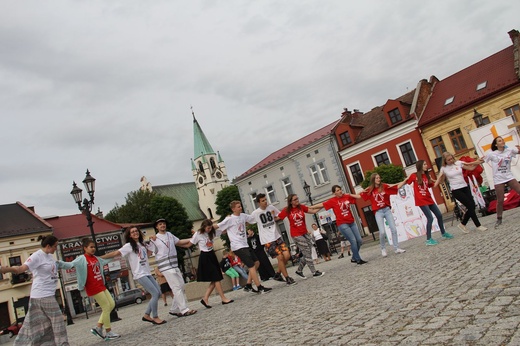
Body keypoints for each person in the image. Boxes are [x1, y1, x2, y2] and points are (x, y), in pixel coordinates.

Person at [0, 235, 70, 345]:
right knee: (58, 320)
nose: (56, 248)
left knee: (38, 324)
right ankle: (63, 344)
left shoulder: (49, 256)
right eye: (55, 246)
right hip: (42, 294)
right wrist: (5, 269)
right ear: (48, 246)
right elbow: (20, 269)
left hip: (44, 295)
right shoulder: (37, 256)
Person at [101, 226, 167, 325]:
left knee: (158, 292)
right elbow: (116, 253)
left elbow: (148, 254)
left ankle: (146, 315)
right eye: (132, 232)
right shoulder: (129, 246)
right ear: (130, 235)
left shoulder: (142, 244)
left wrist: (152, 240)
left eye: (136, 231)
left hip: (147, 272)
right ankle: (155, 317)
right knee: (154, 293)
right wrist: (100, 258)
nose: (135, 233)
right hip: (139, 274)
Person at [59, 238, 120, 341]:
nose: (93, 249)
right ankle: (108, 332)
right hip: (93, 286)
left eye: (94, 247)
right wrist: (58, 263)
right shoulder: (81, 259)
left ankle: (98, 327)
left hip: (101, 284)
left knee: (111, 304)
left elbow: (105, 260)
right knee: (106, 306)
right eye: (91, 247)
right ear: (85, 248)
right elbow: (70, 265)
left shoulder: (96, 258)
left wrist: (118, 253)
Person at [217, 201, 272, 293]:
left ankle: (248, 284)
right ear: (233, 209)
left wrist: (263, 210)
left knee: (257, 263)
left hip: (245, 244)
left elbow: (253, 219)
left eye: (241, 206)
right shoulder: (229, 219)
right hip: (238, 246)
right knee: (251, 265)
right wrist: (206, 228)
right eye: (238, 207)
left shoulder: (243, 216)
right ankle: (259, 287)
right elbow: (218, 226)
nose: (240, 208)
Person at [148, 219, 197, 317]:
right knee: (176, 287)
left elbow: (180, 242)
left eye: (164, 224)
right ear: (157, 227)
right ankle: (184, 309)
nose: (163, 225)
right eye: (160, 224)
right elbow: (148, 251)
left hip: (174, 265)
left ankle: (174, 309)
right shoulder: (155, 239)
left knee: (182, 286)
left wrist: (193, 239)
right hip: (165, 267)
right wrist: (149, 241)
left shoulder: (170, 235)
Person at [399, 160, 454, 245]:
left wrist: (439, 177)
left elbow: (435, 184)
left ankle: (443, 233)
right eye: (424, 164)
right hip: (421, 200)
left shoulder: (427, 176)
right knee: (430, 218)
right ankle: (428, 239)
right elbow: (407, 182)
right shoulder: (414, 175)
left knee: (439, 215)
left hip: (429, 199)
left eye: (426, 164)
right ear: (420, 166)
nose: (426, 165)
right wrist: (397, 186)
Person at [185, 219, 234, 308]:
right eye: (208, 228)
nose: (209, 229)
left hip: (212, 255)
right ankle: (223, 298)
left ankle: (205, 298)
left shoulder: (212, 232)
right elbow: (189, 244)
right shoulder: (198, 234)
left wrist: (231, 224)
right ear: (203, 227)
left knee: (214, 278)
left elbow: (222, 231)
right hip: (205, 256)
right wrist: (177, 243)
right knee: (216, 278)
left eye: (210, 227)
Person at [312, 186, 367, 265]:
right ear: (334, 193)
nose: (340, 191)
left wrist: (350, 194)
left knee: (359, 240)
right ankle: (358, 259)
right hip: (342, 223)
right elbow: (321, 205)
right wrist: (309, 207)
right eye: (337, 190)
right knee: (353, 240)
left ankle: (354, 257)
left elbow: (358, 196)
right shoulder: (332, 200)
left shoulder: (346, 196)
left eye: (340, 189)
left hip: (351, 222)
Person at [435, 152, 488, 232]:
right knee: (469, 205)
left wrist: (478, 162)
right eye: (449, 160)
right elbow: (441, 180)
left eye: (452, 158)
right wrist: (438, 180)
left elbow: (470, 167)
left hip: (464, 187)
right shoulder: (443, 168)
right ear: (445, 161)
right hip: (456, 190)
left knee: (472, 206)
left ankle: (462, 224)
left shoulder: (458, 163)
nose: (451, 161)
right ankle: (478, 225)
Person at [250, 193, 296, 285]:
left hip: (277, 236)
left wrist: (276, 218)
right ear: (259, 202)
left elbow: (279, 215)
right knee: (280, 257)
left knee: (286, 255)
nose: (265, 202)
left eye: (265, 199)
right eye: (263, 201)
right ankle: (287, 278)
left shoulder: (271, 208)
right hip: (268, 240)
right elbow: (248, 221)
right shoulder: (255, 213)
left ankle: (278, 273)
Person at [278, 194, 325, 278]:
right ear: (290, 201)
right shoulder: (287, 210)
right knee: (307, 251)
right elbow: (278, 217)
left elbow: (313, 211)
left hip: (305, 233)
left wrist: (324, 205)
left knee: (308, 252)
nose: (297, 200)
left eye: (297, 198)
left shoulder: (301, 207)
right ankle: (314, 272)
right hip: (296, 234)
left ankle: (299, 270)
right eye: (295, 199)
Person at [361, 173, 406, 257]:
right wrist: (367, 188)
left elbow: (395, 187)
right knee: (382, 232)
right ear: (373, 180)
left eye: (379, 177)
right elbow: (362, 194)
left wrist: (405, 181)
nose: (379, 179)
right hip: (378, 212)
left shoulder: (384, 186)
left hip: (387, 210)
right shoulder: (370, 190)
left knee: (394, 229)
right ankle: (383, 249)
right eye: (377, 178)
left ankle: (396, 248)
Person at [483, 136, 520, 228]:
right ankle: (499, 218)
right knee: (500, 200)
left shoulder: (509, 150)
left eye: (502, 140)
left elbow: (518, 151)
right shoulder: (492, 154)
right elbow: (481, 160)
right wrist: (469, 164)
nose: (502, 141)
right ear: (496, 144)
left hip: (509, 176)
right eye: (499, 141)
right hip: (499, 179)